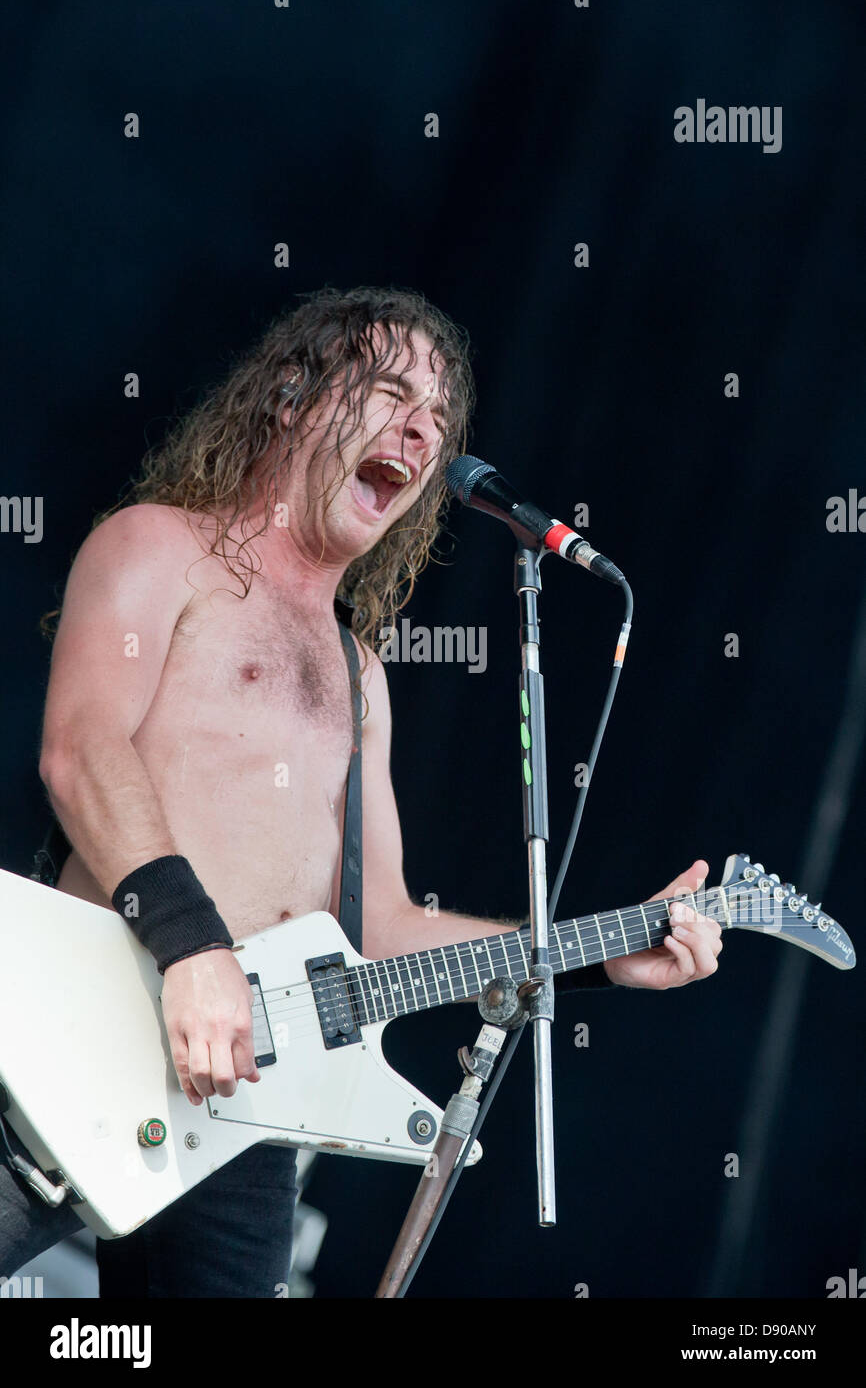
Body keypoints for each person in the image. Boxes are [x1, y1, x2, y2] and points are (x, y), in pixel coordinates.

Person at [2, 286, 722, 1296]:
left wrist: (598, 955)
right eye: (389, 392)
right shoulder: (160, 546)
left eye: (436, 419)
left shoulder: (359, 673)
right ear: (292, 395)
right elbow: (81, 750)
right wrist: (192, 942)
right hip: (69, 1038)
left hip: (245, 1100)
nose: (421, 430)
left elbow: (378, 928)